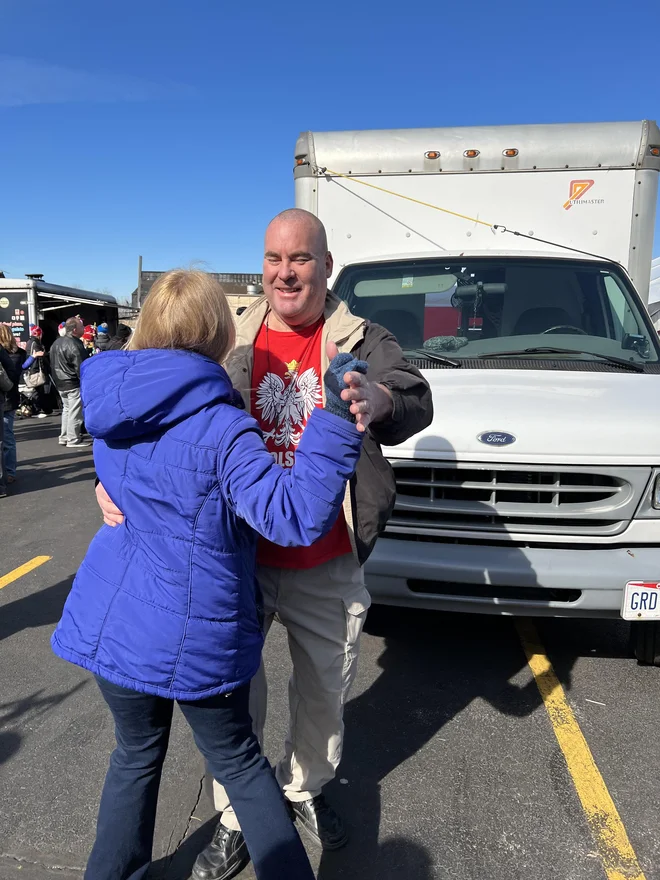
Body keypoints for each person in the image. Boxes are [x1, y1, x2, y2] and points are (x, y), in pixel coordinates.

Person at [97, 209, 434, 880]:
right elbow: (145, 409)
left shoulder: (362, 337)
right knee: (232, 705)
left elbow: (416, 397)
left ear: (326, 266)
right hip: (234, 559)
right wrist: (110, 485)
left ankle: (304, 791)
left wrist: (380, 400)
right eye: (274, 259)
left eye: (300, 259)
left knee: (323, 693)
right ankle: (236, 816)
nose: (285, 272)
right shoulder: (234, 331)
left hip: (326, 555)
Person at [51, 268, 366, 880]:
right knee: (242, 766)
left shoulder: (114, 407)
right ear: (220, 335)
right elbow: (294, 514)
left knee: (135, 757)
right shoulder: (220, 427)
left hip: (116, 619)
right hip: (192, 630)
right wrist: (329, 418)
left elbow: (134, 483)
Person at [0, 325, 39, 485]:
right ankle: (10, 471)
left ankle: (7, 472)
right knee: (8, 437)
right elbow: (20, 370)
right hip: (11, 397)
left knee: (6, 438)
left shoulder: (4, 354)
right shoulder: (19, 353)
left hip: (5, 397)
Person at [49, 316, 91, 448]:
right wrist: (86, 382)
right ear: (74, 329)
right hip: (72, 382)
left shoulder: (56, 343)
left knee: (67, 409)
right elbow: (81, 366)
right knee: (74, 412)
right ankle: (72, 438)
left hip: (60, 381)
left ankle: (65, 436)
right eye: (81, 326)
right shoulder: (75, 344)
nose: (83, 329)